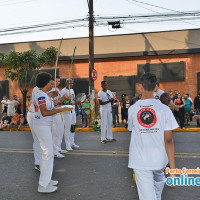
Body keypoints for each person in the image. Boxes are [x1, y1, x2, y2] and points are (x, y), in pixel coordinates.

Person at [128, 72, 178, 200]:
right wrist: (172, 170)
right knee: (156, 195)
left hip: (140, 161)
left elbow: (132, 129)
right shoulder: (164, 109)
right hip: (159, 160)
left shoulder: (133, 109)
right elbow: (169, 141)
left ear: (140, 87)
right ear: (156, 87)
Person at [32, 72, 73, 193]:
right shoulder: (41, 95)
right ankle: (43, 185)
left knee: (47, 154)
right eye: (51, 83)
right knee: (47, 154)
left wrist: (61, 103)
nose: (52, 85)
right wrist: (61, 109)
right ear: (46, 83)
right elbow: (44, 112)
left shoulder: (43, 94)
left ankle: (46, 180)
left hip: (44, 125)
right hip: (42, 126)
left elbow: (51, 105)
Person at [48, 75, 67, 159]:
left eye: (59, 81)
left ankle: (58, 148)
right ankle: (54, 151)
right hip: (54, 113)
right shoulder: (51, 91)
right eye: (56, 81)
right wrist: (61, 98)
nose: (57, 83)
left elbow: (58, 102)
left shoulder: (57, 90)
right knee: (55, 133)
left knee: (60, 131)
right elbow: (52, 102)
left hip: (59, 111)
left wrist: (64, 99)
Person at [60, 79, 79, 150]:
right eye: (70, 83)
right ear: (66, 83)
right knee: (67, 128)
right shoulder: (63, 91)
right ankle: (67, 145)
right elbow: (62, 102)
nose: (71, 85)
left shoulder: (72, 90)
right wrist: (74, 103)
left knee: (73, 127)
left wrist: (77, 103)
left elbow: (73, 100)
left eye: (72, 83)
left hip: (73, 111)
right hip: (66, 111)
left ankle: (72, 143)